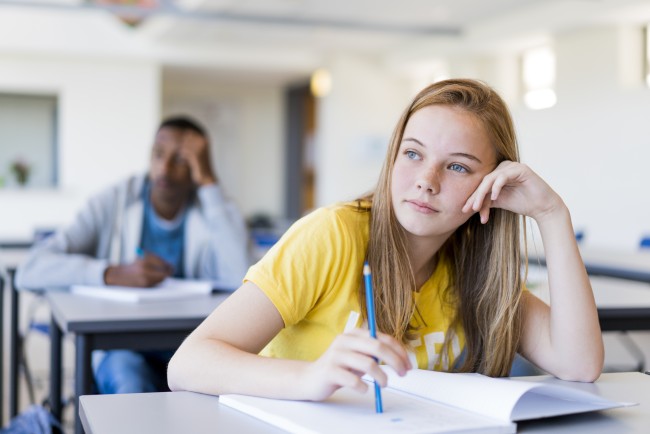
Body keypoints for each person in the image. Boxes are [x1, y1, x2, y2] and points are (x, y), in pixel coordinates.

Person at [167, 79, 604, 401]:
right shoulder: (333, 235)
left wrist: (552, 214)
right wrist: (309, 378)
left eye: (457, 167)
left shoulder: (478, 266)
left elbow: (579, 364)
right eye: (413, 154)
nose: (426, 182)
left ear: (491, 183)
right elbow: (188, 363)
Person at [16, 115, 250, 394]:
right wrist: (112, 273)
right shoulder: (115, 200)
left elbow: (246, 279)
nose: (164, 168)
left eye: (180, 159)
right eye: (158, 154)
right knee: (132, 386)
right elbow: (30, 269)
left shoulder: (211, 208)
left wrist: (210, 183)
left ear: (197, 168)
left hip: (191, 346)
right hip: (120, 347)